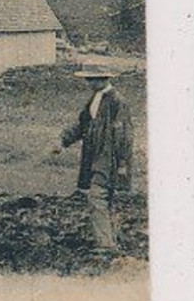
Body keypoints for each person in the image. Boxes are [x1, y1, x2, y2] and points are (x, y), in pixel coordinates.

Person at [53, 66, 134, 251]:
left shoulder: (118, 102)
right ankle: (111, 239)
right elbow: (82, 125)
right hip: (94, 156)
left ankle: (105, 245)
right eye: (88, 79)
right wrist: (63, 141)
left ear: (103, 79)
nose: (89, 83)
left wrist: (122, 163)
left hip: (109, 158)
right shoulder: (94, 99)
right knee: (105, 199)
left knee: (97, 197)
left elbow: (125, 136)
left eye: (92, 79)